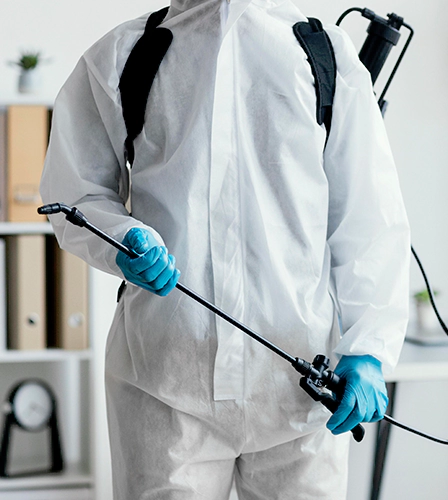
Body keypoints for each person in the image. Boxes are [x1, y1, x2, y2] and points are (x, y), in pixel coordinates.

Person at [39, 0, 411, 498]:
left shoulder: (326, 55)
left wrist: (368, 350)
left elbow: (369, 217)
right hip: (164, 389)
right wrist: (120, 239)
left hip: (299, 395)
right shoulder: (122, 56)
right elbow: (74, 192)